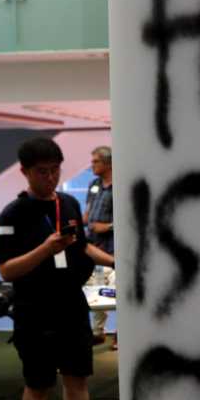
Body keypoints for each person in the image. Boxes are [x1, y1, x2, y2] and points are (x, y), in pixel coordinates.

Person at [0, 138, 115, 400]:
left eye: (55, 170)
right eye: (42, 172)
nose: (49, 177)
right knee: (38, 386)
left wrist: (115, 261)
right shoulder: (12, 215)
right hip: (34, 309)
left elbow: (83, 246)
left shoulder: (69, 203)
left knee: (78, 378)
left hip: (71, 304)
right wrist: (44, 250)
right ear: (25, 172)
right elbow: (6, 270)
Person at [83, 145, 116, 346]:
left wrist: (108, 226)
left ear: (108, 163)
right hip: (94, 247)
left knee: (118, 294)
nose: (92, 165)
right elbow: (87, 213)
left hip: (114, 248)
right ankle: (98, 332)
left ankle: (121, 335)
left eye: (95, 161)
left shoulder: (120, 184)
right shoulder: (93, 184)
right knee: (96, 290)